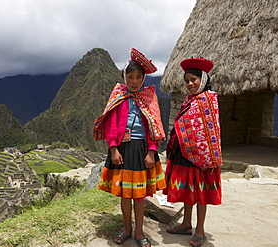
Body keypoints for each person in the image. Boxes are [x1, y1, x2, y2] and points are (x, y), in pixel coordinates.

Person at [93, 48, 166, 247]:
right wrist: (114, 148)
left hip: (142, 149)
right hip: (123, 150)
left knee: (139, 194)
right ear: (124, 77)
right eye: (130, 76)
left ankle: (140, 232)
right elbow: (111, 124)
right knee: (126, 193)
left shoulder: (149, 98)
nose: (134, 81)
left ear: (143, 79)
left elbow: (155, 127)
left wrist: (151, 151)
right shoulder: (118, 96)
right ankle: (127, 229)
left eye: (138, 77)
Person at [163, 57, 222, 247]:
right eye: (187, 80)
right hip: (185, 151)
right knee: (188, 189)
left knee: (200, 191)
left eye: (193, 80)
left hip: (202, 156)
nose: (190, 84)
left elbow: (210, 129)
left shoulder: (208, 100)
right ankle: (186, 224)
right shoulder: (190, 100)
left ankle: (200, 230)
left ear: (203, 79)